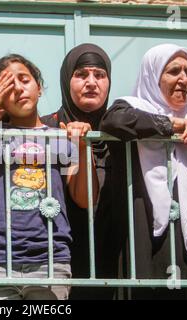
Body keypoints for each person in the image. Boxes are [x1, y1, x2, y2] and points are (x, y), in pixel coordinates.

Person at [0, 54, 99, 300]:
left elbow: (84, 199)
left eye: (24, 80)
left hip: (50, 259)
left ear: (39, 88)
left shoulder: (60, 136)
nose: (19, 88)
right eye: (8, 85)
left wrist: (84, 148)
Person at [100, 44, 187, 299]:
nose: (183, 79)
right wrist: (168, 126)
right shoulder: (131, 108)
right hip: (151, 238)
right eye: (173, 71)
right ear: (153, 76)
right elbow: (113, 121)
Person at [41, 43, 114, 299]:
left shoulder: (119, 133)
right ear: (66, 79)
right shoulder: (47, 128)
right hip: (57, 256)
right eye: (81, 74)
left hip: (112, 255)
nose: (91, 82)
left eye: (99, 75)